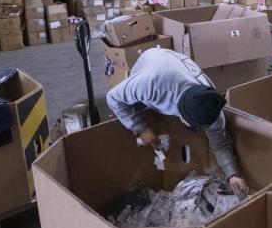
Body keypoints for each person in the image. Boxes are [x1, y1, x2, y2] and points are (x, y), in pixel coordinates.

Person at [106, 48, 249, 193]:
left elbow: (220, 144)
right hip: (153, 61)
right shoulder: (149, 85)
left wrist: (232, 175)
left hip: (179, 65)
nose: (200, 130)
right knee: (133, 108)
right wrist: (140, 129)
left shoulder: (212, 109)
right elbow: (113, 98)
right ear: (181, 115)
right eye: (196, 125)